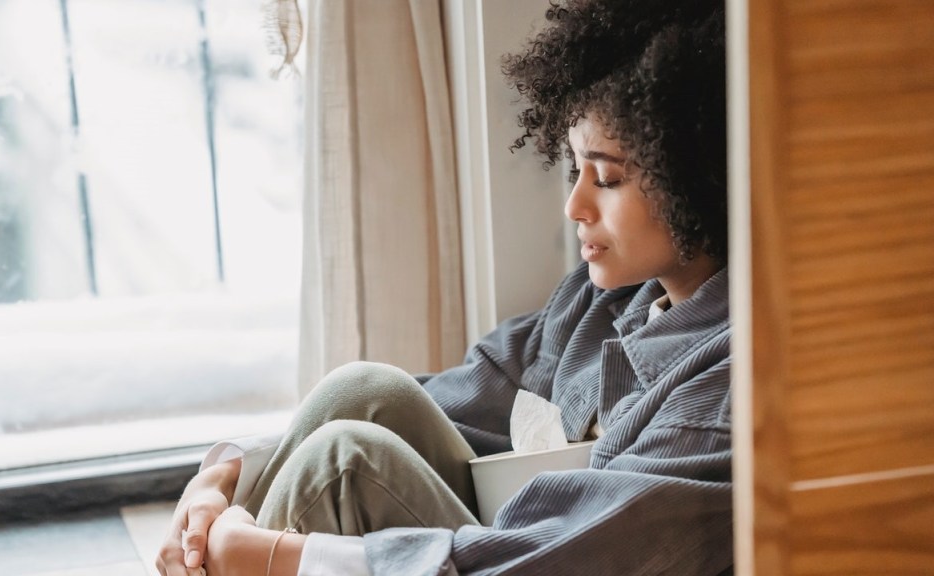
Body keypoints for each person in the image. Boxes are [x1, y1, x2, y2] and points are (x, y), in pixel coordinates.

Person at [156, 0, 731, 574]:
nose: (574, 205)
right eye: (574, 168)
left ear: (698, 176)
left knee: (345, 460)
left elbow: (551, 563)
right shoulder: (602, 300)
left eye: (606, 179)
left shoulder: (723, 395)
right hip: (512, 541)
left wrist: (278, 559)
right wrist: (224, 478)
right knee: (364, 391)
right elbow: (446, 397)